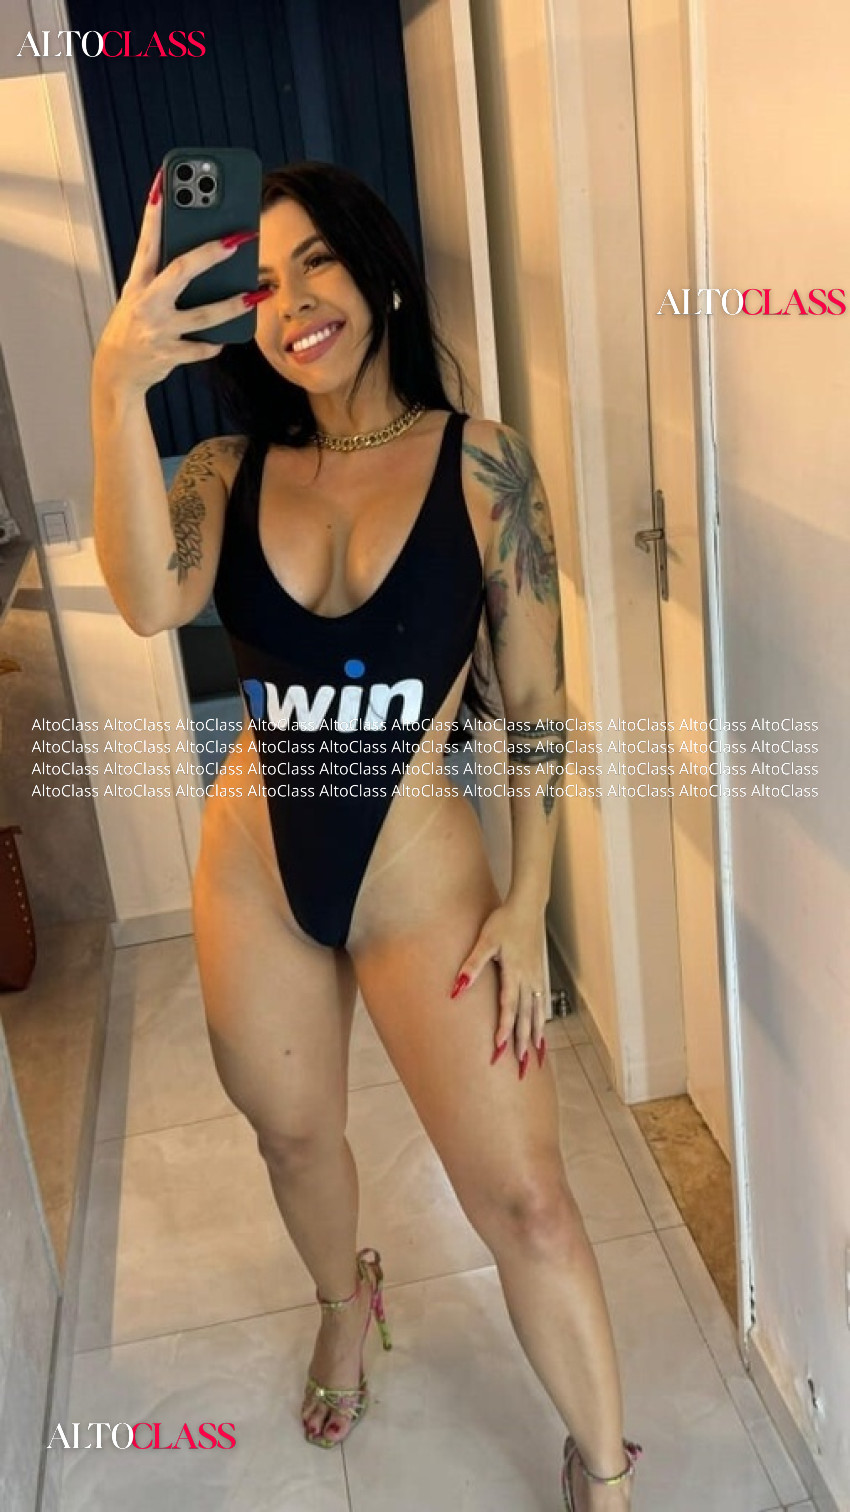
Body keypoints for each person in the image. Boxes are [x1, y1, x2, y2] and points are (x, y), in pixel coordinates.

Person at [91, 158, 642, 1510]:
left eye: (317, 263)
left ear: (378, 272)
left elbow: (535, 702)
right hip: (258, 862)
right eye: (263, 283)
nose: (292, 302)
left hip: (417, 874)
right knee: (290, 1137)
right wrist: (114, 386)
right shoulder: (226, 468)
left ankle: (606, 1473)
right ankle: (347, 1301)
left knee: (527, 1202)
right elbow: (150, 603)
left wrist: (527, 903)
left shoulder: (482, 462)